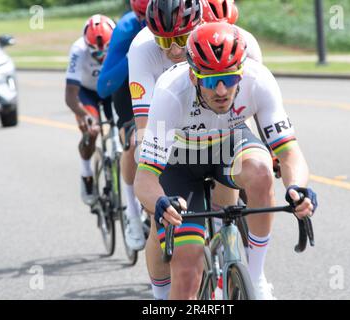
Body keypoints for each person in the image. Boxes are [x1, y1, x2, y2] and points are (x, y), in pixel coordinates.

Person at [134, 22, 318, 300]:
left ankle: (255, 277)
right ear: (194, 77)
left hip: (229, 145)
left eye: (230, 79)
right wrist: (160, 202)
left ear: (241, 73)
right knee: (187, 275)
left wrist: (297, 188)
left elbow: (289, 152)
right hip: (179, 160)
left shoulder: (259, 80)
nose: (221, 91)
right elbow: (145, 177)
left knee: (261, 171)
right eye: (210, 81)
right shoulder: (170, 92)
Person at [128, 0, 265, 299]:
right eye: (164, 41)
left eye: (180, 39)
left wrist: (264, 154)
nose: (174, 50)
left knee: (236, 195)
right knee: (158, 215)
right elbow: (145, 124)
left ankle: (246, 270)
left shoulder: (232, 42)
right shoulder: (141, 49)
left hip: (218, 132)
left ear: (200, 25)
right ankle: (161, 296)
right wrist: (150, 185)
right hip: (168, 132)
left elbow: (249, 107)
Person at [97, 0, 150, 251]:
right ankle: (131, 212)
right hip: (131, 90)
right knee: (133, 142)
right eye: (147, 18)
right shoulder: (127, 28)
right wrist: (133, 54)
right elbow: (103, 85)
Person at [65, 14, 116, 205]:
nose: (102, 58)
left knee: (126, 131)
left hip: (111, 89)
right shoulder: (78, 50)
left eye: (105, 53)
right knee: (91, 132)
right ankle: (86, 174)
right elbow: (70, 97)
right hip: (87, 92)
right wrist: (87, 118)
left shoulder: (120, 42)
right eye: (96, 54)